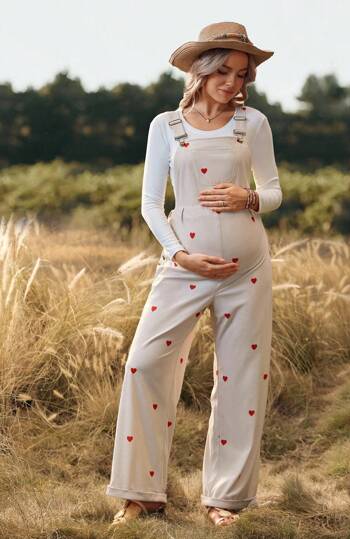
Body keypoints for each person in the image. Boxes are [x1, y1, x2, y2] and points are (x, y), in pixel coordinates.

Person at [106, 20, 282, 529]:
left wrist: (248, 196)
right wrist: (180, 255)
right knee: (143, 365)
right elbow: (150, 204)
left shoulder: (254, 123)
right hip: (182, 267)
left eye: (242, 74)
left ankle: (225, 500)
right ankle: (142, 495)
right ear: (202, 70)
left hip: (246, 270)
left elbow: (273, 191)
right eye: (224, 71)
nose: (232, 82)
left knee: (241, 379)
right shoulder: (166, 125)